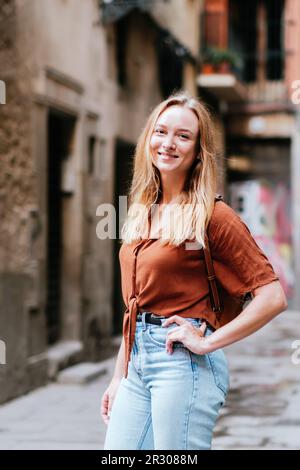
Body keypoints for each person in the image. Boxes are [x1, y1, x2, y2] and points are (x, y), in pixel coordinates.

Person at [101, 91, 287, 450]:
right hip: (136, 363)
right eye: (161, 131)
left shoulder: (213, 216)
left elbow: (273, 296)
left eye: (183, 136)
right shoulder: (143, 210)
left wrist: (207, 342)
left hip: (182, 366)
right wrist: (116, 378)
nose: (168, 143)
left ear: (198, 150)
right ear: (148, 139)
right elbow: (135, 307)